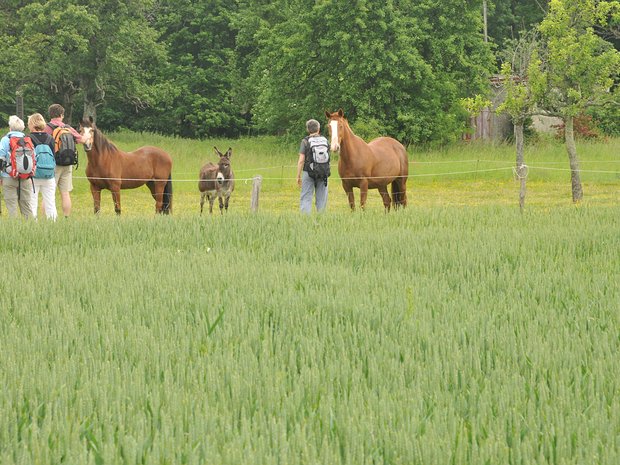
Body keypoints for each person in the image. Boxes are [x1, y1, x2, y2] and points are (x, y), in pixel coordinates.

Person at [45, 103, 84, 218]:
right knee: (65, 193)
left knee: (49, 194)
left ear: (50, 114)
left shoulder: (47, 128)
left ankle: (45, 220)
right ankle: (66, 217)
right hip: (67, 163)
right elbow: (81, 140)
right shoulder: (67, 127)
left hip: (53, 164)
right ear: (61, 115)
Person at [0, 115, 34, 218]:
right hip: (26, 177)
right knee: (27, 207)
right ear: (23, 127)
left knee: (12, 208)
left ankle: (14, 231)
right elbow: (34, 157)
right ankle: (31, 230)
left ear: (10, 127)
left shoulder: (5, 140)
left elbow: (1, 159)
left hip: (8, 177)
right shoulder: (28, 140)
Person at [28, 113, 58, 220]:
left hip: (33, 175)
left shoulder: (28, 138)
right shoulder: (50, 138)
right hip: (49, 175)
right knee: (50, 203)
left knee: (32, 202)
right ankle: (53, 226)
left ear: (31, 124)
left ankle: (33, 228)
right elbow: (54, 155)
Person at [296, 119, 329, 213]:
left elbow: (301, 160)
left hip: (308, 172)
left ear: (308, 129)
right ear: (318, 129)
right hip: (323, 172)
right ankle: (321, 220)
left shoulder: (305, 141)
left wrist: (298, 175)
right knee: (322, 199)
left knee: (306, 197)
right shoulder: (325, 140)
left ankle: (305, 221)